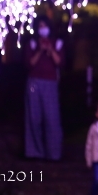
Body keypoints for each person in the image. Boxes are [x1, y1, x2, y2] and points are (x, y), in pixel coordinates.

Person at [24, 15, 64, 160]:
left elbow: (59, 62)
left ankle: (54, 154)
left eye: (44, 26)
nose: (42, 29)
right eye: (40, 27)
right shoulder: (32, 43)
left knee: (52, 118)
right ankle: (35, 153)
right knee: (34, 118)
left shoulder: (58, 43)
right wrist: (40, 51)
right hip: (34, 83)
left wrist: (50, 50)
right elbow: (30, 64)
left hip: (50, 83)